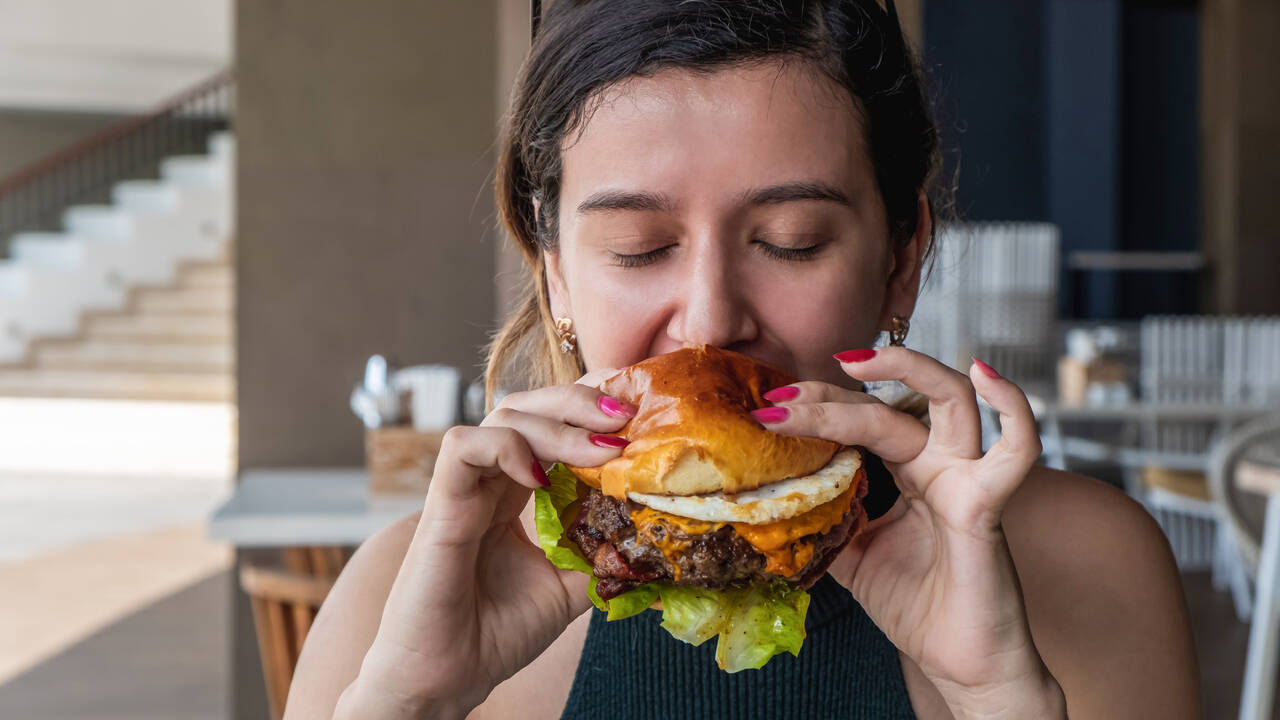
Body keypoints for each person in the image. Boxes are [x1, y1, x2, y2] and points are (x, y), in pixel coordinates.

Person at [286, 1, 1199, 717]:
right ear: (555, 278)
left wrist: (1001, 701)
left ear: (900, 259)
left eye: (794, 242)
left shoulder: (1086, 565)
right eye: (641, 248)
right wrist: (406, 707)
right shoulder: (401, 600)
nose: (711, 322)